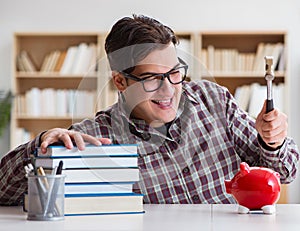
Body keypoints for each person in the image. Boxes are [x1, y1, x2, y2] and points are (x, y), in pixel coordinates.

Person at [0, 14, 299, 205]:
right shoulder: (91, 138)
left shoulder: (214, 100)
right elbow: (4, 194)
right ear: (120, 81)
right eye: (152, 78)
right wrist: (38, 147)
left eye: (174, 73)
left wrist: (271, 141)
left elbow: (285, 172)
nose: (169, 89)